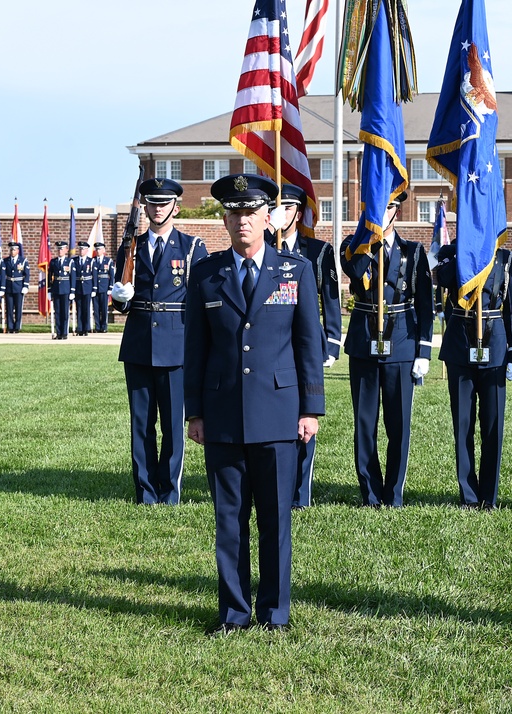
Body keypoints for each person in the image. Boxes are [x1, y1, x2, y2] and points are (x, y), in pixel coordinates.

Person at [184, 174, 325, 634]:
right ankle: (233, 613)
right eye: (234, 212)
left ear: (269, 218)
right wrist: (195, 412)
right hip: (223, 414)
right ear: (224, 219)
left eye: (251, 212)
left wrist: (310, 409)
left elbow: (308, 344)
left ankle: (275, 613)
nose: (242, 220)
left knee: (275, 520)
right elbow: (195, 348)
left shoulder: (295, 271)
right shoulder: (206, 274)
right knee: (229, 520)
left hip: (279, 412)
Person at [111, 177, 208, 505]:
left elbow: (200, 301)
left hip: (175, 345)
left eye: (163, 203)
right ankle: (145, 491)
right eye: (152, 203)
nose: (157, 209)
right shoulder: (130, 247)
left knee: (173, 424)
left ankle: (169, 491)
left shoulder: (192, 248)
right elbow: (121, 299)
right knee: (141, 424)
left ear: (176, 208)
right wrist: (120, 298)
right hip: (139, 343)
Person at [340, 191, 434, 508]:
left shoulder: (414, 251)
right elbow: (354, 273)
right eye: (381, 206)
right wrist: (370, 236)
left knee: (398, 425)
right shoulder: (352, 247)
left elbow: (425, 304)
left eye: (391, 206)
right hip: (365, 341)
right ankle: (369, 492)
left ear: (398, 209)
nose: (386, 212)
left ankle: (393, 493)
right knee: (365, 424)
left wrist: (423, 351)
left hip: (402, 342)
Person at [272, 184, 343, 509]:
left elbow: (330, 299)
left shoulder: (317, 251)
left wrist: (330, 343)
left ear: (298, 213)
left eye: (287, 207)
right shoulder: (263, 251)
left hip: (306, 346)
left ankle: (301, 494)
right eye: (276, 206)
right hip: (272, 348)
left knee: (305, 416)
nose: (280, 213)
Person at [436, 238, 512, 509]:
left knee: (493, 426)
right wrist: (466, 251)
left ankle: (489, 494)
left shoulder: (505, 257)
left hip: (494, 347)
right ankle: (468, 495)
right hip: (461, 344)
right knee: (463, 425)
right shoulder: (451, 252)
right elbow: (446, 280)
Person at [48, 241, 75, 339]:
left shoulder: (70, 262)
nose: (60, 251)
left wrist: (72, 291)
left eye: (62, 249)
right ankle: (59, 333)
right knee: (58, 312)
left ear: (66, 250)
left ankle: (64, 333)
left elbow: (72, 276)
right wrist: (49, 290)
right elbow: (50, 276)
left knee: (65, 312)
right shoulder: (53, 262)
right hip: (56, 289)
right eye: (58, 249)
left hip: (66, 289)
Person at [2, 241, 30, 333]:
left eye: (14, 249)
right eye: (11, 250)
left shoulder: (23, 261)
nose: (12, 251)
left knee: (18, 308)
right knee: (9, 308)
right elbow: (3, 274)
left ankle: (17, 326)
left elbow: (27, 274)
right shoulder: (5, 261)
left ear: (18, 250)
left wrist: (25, 285)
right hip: (9, 286)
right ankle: (10, 326)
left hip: (19, 286)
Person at [72, 241, 97, 336]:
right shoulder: (74, 261)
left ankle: (86, 328)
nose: (81, 251)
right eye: (80, 249)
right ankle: (79, 328)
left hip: (87, 287)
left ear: (87, 250)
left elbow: (94, 275)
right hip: (78, 287)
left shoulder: (91, 261)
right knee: (79, 308)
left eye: (83, 249)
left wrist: (94, 288)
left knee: (86, 308)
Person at [93, 242, 115, 332]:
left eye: (100, 249)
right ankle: (97, 327)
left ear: (103, 250)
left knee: (104, 308)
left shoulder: (108, 261)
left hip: (104, 287)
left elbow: (112, 275)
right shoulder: (93, 261)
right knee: (96, 309)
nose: (98, 251)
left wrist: (110, 287)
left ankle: (104, 326)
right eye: (97, 249)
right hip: (95, 288)